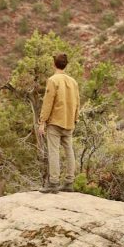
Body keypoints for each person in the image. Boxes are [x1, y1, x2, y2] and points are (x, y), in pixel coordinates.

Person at [38, 53, 80, 194]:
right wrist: (75, 118)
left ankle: (53, 183)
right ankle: (69, 182)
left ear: (53, 64)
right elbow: (78, 102)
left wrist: (42, 122)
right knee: (69, 151)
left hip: (55, 122)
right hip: (69, 121)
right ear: (66, 65)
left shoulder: (52, 80)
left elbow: (48, 102)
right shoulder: (73, 82)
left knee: (54, 151)